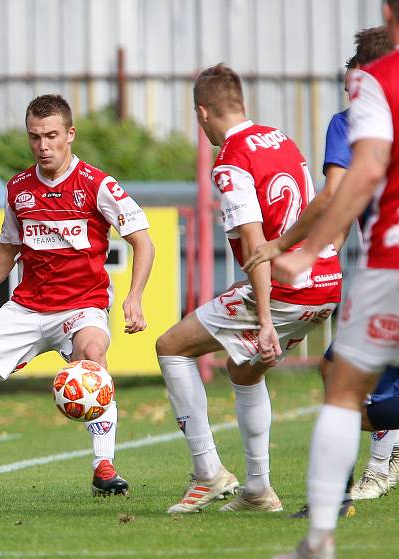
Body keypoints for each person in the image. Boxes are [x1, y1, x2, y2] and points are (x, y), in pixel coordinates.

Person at [0, 94, 155, 496]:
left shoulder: (97, 184)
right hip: (28, 307)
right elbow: (7, 251)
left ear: (70, 135)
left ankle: (104, 466)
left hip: (82, 305)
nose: (43, 146)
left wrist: (135, 296)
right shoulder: (19, 189)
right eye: (35, 137)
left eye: (52, 136)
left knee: (93, 357)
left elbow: (143, 242)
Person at [156, 63, 342, 514]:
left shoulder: (232, 161)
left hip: (285, 291)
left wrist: (263, 320)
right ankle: (258, 490)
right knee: (244, 371)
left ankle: (208, 474)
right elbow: (327, 201)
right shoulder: (280, 139)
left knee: (171, 346)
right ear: (241, 103)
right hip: (326, 282)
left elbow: (256, 244)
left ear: (203, 113)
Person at [243, 25, 399, 510]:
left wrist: (296, 248)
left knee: (340, 373)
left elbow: (334, 194)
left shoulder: (352, 119)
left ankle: (332, 501)